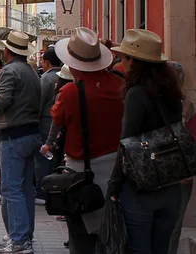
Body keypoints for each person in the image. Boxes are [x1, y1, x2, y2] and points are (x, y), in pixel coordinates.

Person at [41, 28, 123, 253]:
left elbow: (57, 119)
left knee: (80, 238)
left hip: (81, 175)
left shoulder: (70, 92)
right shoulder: (120, 85)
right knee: (111, 238)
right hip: (117, 171)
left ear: (73, 64)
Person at [108, 29, 184, 254]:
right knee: (161, 248)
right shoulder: (171, 91)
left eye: (124, 57)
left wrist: (114, 183)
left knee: (139, 248)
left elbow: (127, 141)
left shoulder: (137, 93)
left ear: (134, 60)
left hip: (141, 185)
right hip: (170, 183)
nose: (122, 61)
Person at [0, 30, 40, 254]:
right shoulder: (31, 72)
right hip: (31, 133)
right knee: (27, 188)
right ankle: (25, 236)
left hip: (14, 135)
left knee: (11, 188)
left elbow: (4, 101)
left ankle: (18, 238)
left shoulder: (9, 71)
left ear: (7, 51)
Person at [35, 47, 63, 205]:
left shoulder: (46, 79)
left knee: (43, 158)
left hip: (46, 122)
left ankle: (41, 191)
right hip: (57, 122)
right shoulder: (63, 75)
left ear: (46, 62)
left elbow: (39, 103)